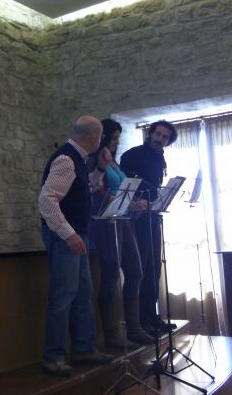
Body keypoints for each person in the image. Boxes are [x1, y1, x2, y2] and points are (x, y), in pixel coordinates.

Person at [38, 115, 113, 377]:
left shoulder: (78, 160)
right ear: (94, 136)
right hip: (65, 237)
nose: (101, 140)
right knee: (63, 296)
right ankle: (53, 357)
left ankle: (83, 349)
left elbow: (85, 189)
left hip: (76, 235)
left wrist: (101, 170)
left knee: (82, 293)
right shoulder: (66, 160)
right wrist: (69, 234)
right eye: (101, 135)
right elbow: (46, 201)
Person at [88, 119, 153, 348]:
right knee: (111, 276)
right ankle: (113, 335)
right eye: (113, 138)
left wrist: (134, 202)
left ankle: (134, 328)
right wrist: (102, 169)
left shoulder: (113, 161)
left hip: (123, 220)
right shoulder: (95, 159)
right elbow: (95, 189)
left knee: (135, 271)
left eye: (118, 138)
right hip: (106, 223)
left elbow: (120, 188)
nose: (117, 142)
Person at [119, 120, 178, 336]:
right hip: (136, 219)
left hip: (153, 217)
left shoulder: (159, 158)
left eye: (164, 137)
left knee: (154, 269)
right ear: (150, 132)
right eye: (158, 134)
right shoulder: (132, 155)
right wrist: (136, 201)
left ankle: (152, 317)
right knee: (140, 270)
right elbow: (122, 185)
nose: (160, 138)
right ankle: (140, 321)